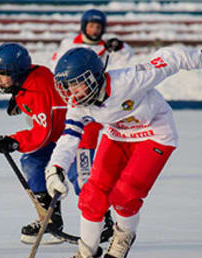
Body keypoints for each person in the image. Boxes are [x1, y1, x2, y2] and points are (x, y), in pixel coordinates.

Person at [44, 46, 202, 258]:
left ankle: (124, 234)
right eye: (67, 87)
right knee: (92, 193)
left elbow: (170, 59)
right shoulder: (79, 104)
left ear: (95, 76)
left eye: (78, 83)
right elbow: (69, 137)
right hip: (118, 135)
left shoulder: (129, 80)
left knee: (125, 194)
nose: (72, 93)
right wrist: (55, 169)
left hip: (155, 134)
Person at [0, 42, 67, 244]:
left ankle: (103, 222)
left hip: (73, 138)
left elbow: (41, 135)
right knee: (32, 162)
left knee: (75, 176)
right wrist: (18, 93)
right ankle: (50, 219)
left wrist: (13, 141)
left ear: (18, 72)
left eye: (3, 74)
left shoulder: (37, 91)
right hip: (60, 135)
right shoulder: (30, 77)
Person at [51, 8, 135, 241]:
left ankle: (101, 217)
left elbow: (121, 68)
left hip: (97, 112)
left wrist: (121, 48)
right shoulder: (69, 43)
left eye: (98, 27)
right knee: (69, 163)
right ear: (83, 26)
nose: (94, 30)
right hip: (76, 107)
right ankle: (96, 212)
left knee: (83, 167)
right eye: (91, 26)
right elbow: (58, 71)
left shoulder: (109, 48)